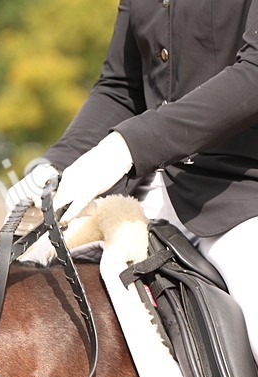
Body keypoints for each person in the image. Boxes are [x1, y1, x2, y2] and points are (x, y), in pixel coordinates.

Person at [13, 0, 258, 354]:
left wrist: (124, 148)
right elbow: (121, 86)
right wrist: (57, 165)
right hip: (146, 193)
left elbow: (253, 74)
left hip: (241, 195)